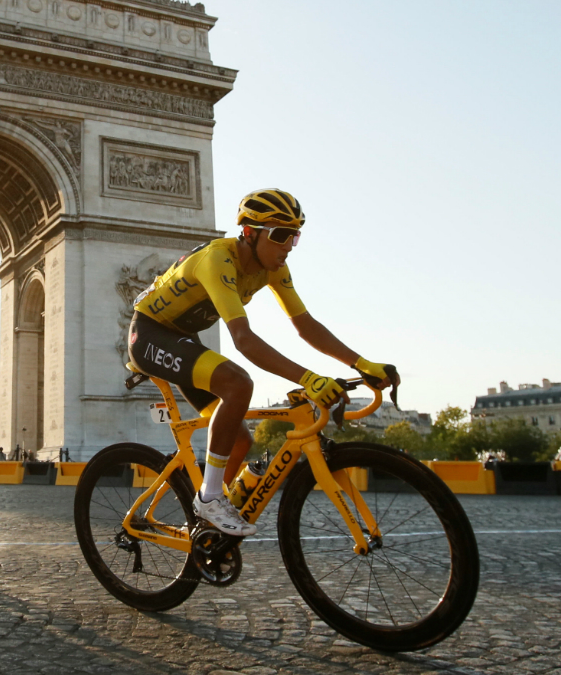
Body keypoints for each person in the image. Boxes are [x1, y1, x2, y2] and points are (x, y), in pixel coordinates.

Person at [128, 189, 398, 536]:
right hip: (149, 334)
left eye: (295, 235)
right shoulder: (218, 259)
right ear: (250, 233)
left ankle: (203, 525)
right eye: (281, 235)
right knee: (238, 383)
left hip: (182, 338)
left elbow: (306, 326)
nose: (289, 245)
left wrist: (361, 364)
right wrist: (310, 379)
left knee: (239, 440)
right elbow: (243, 339)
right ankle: (210, 498)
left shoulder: (273, 268)